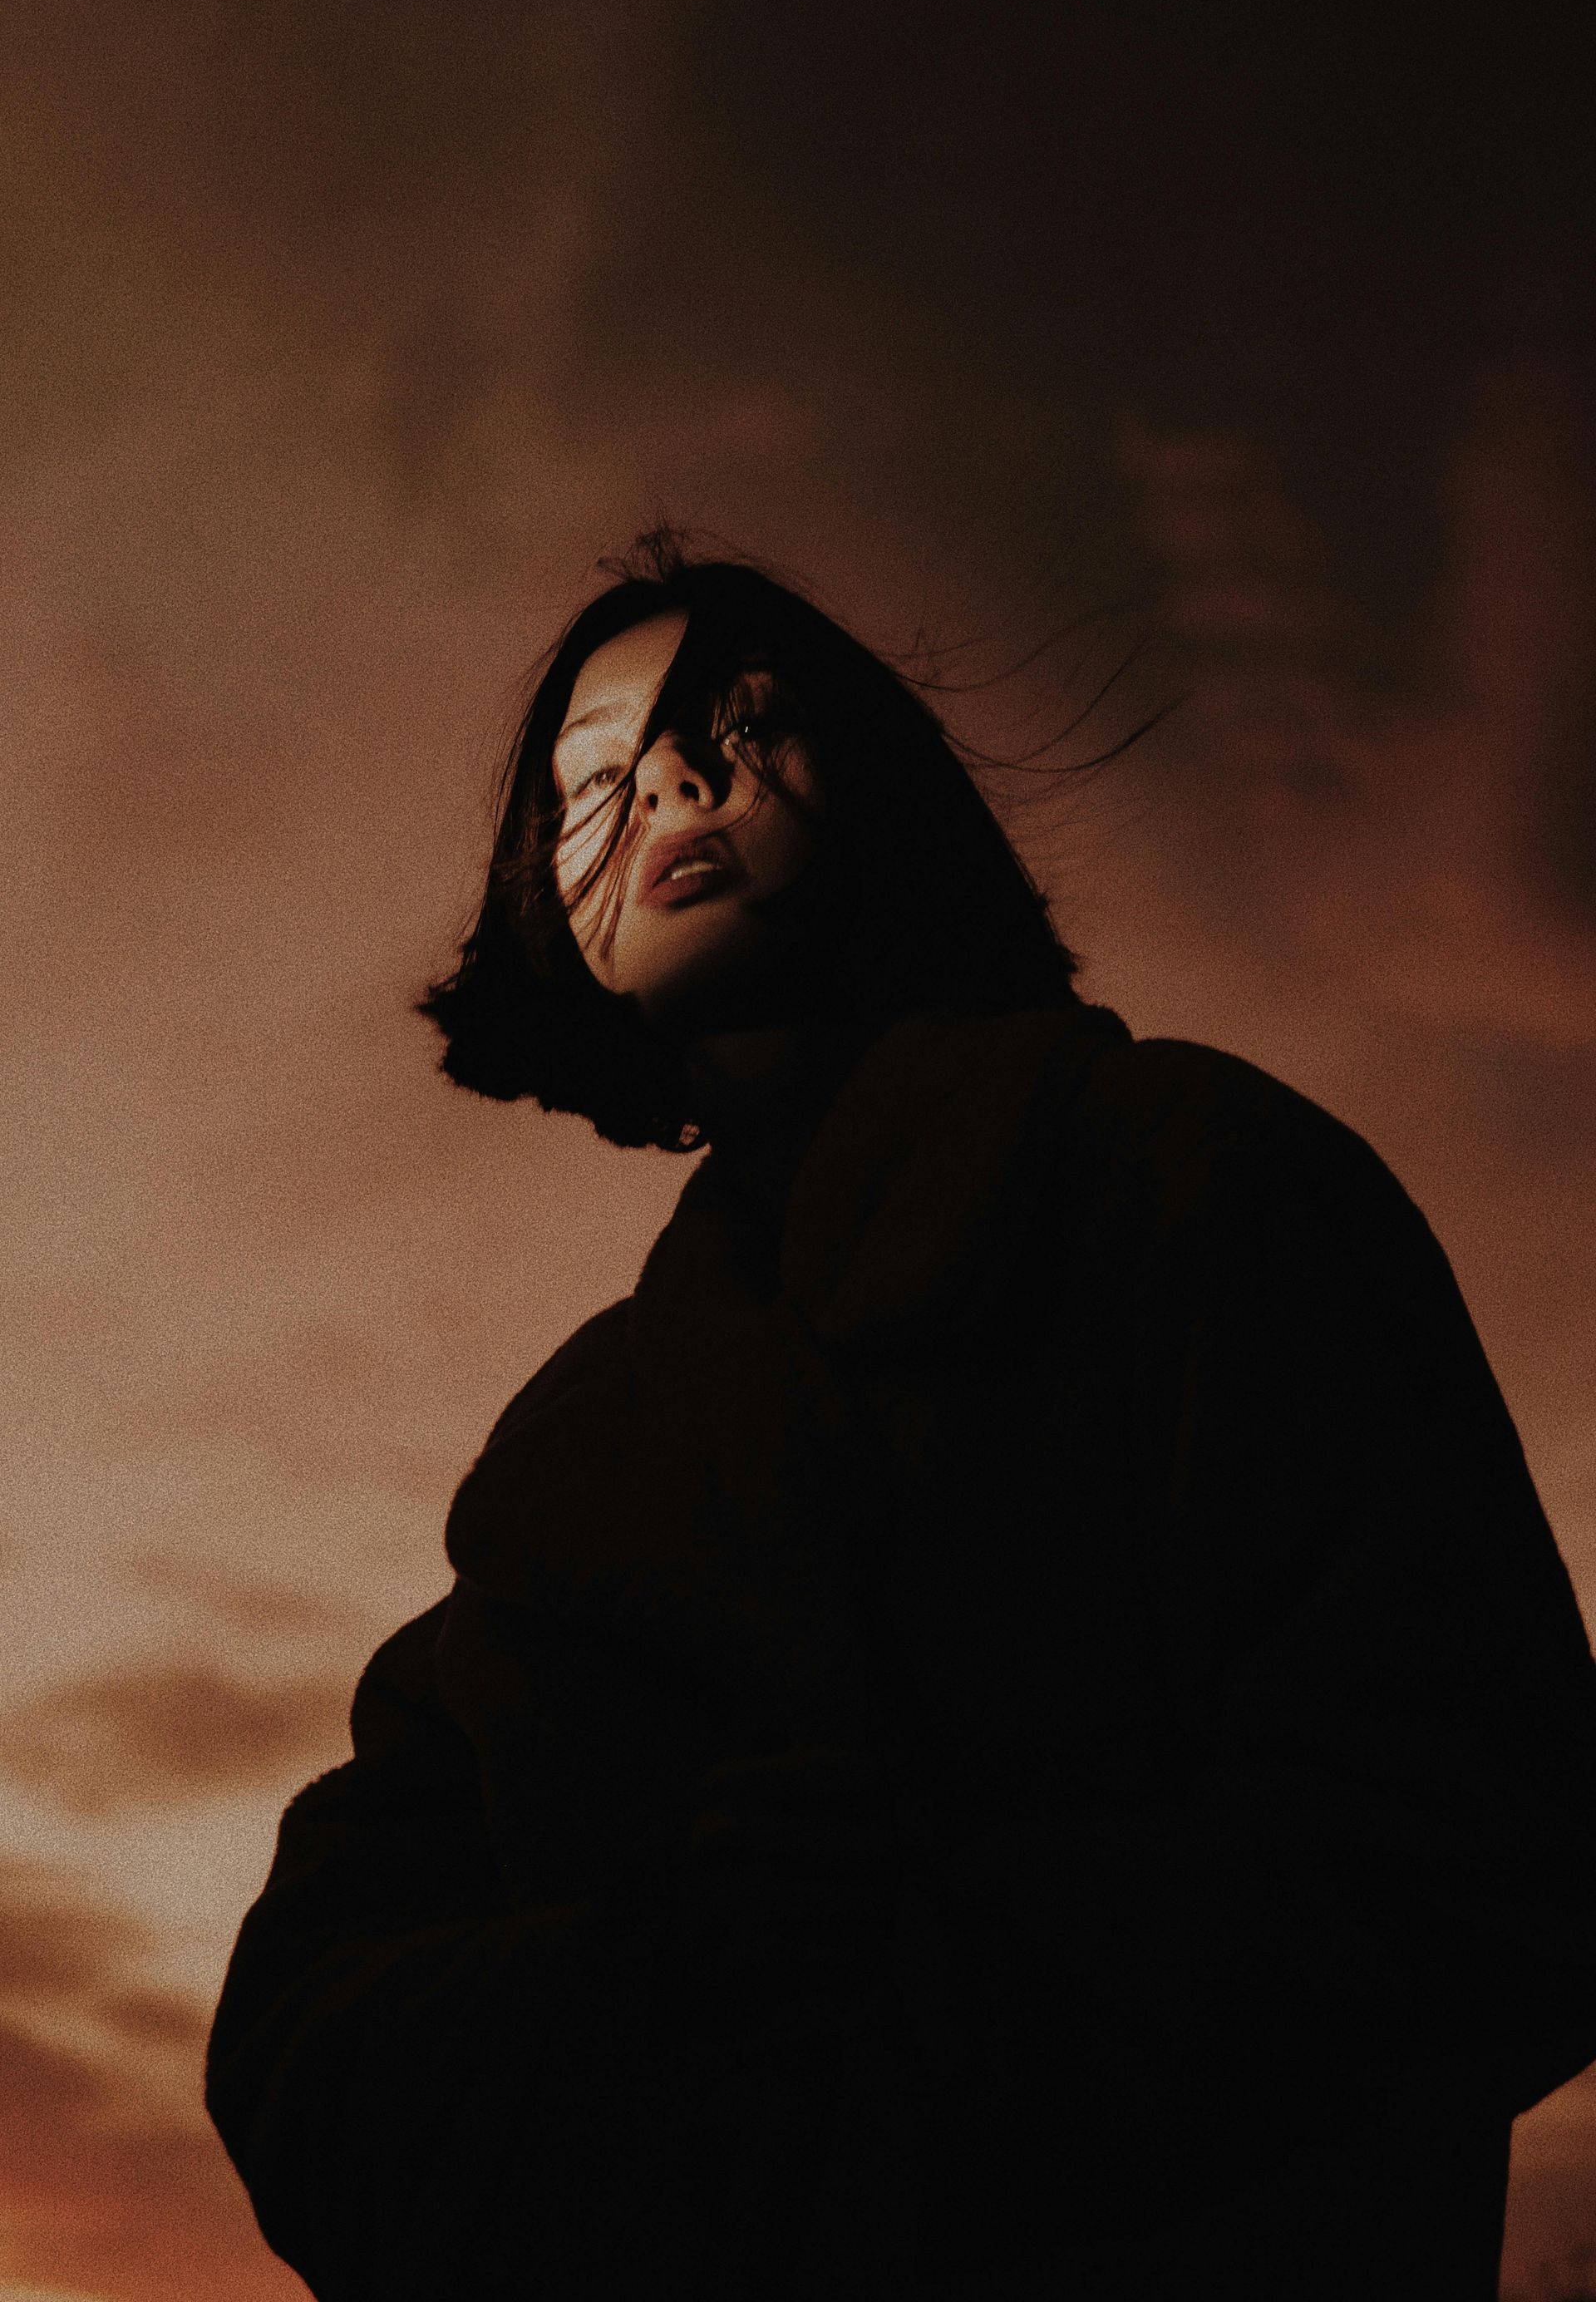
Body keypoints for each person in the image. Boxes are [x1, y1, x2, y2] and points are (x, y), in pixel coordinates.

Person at [205, 534, 1596, 2300]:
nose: (675, 783)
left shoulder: (1202, 1185)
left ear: (887, 786)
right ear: (547, 908)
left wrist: (903, 1979)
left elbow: (1491, 1845)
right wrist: (652, 1979)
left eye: (746, 721)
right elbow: (308, 2029)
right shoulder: (572, 1455)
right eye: (591, 782)